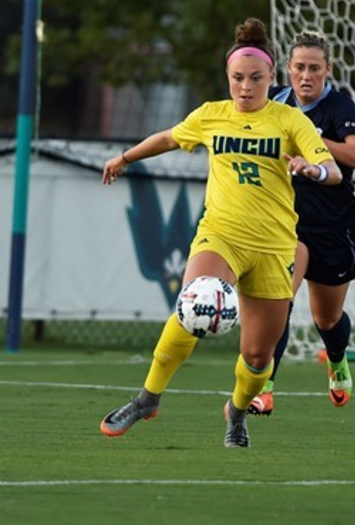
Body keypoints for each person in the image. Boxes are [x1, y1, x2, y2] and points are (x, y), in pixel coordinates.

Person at [99, 18, 342, 448]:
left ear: (272, 78)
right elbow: (168, 138)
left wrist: (314, 168)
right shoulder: (211, 115)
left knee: (257, 356)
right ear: (227, 77)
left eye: (255, 78)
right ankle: (146, 399)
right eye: (237, 78)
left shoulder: (289, 121)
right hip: (221, 234)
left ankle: (236, 412)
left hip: (272, 247)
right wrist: (125, 158)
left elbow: (334, 170)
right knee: (193, 303)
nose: (245, 87)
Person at [248, 31, 355, 417]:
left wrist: (312, 139)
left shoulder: (338, 107)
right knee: (280, 301)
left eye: (314, 68)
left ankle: (337, 361)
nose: (306, 75)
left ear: (327, 70)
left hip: (334, 225)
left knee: (327, 317)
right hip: (288, 225)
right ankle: (264, 388)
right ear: (287, 69)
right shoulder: (275, 104)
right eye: (299, 67)